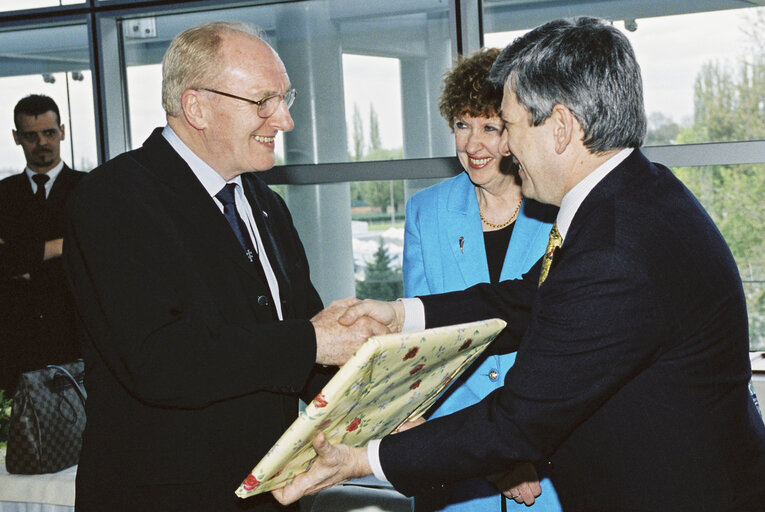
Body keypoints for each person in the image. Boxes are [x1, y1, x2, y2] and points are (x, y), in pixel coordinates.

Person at [273, 17, 765, 511]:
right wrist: (400, 315)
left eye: (506, 126)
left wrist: (363, 459)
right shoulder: (638, 195)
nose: (503, 148)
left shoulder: (614, 248)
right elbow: (528, 300)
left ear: (561, 127)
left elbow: (518, 424)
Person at [63, 21, 386, 512]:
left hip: (268, 494)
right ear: (196, 107)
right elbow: (161, 360)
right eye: (263, 101)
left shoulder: (262, 201)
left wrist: (378, 412)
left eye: (285, 98)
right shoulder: (113, 198)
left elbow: (302, 342)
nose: (285, 121)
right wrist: (314, 340)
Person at [403, 48, 559, 511]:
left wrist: (515, 448)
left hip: (546, 464)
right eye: (462, 125)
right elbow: (427, 349)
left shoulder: (560, 208)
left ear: (515, 131)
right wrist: (486, 453)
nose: (473, 145)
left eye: (491, 127)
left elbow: (564, 344)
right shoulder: (425, 211)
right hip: (457, 468)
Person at [0, 94, 84, 395]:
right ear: (16, 138)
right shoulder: (3, 195)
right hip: (14, 341)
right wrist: (63, 245)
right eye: (31, 136)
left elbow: (96, 256)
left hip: (75, 336)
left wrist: (24, 264)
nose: (42, 143)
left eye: (49, 133)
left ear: (62, 131)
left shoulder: (89, 189)